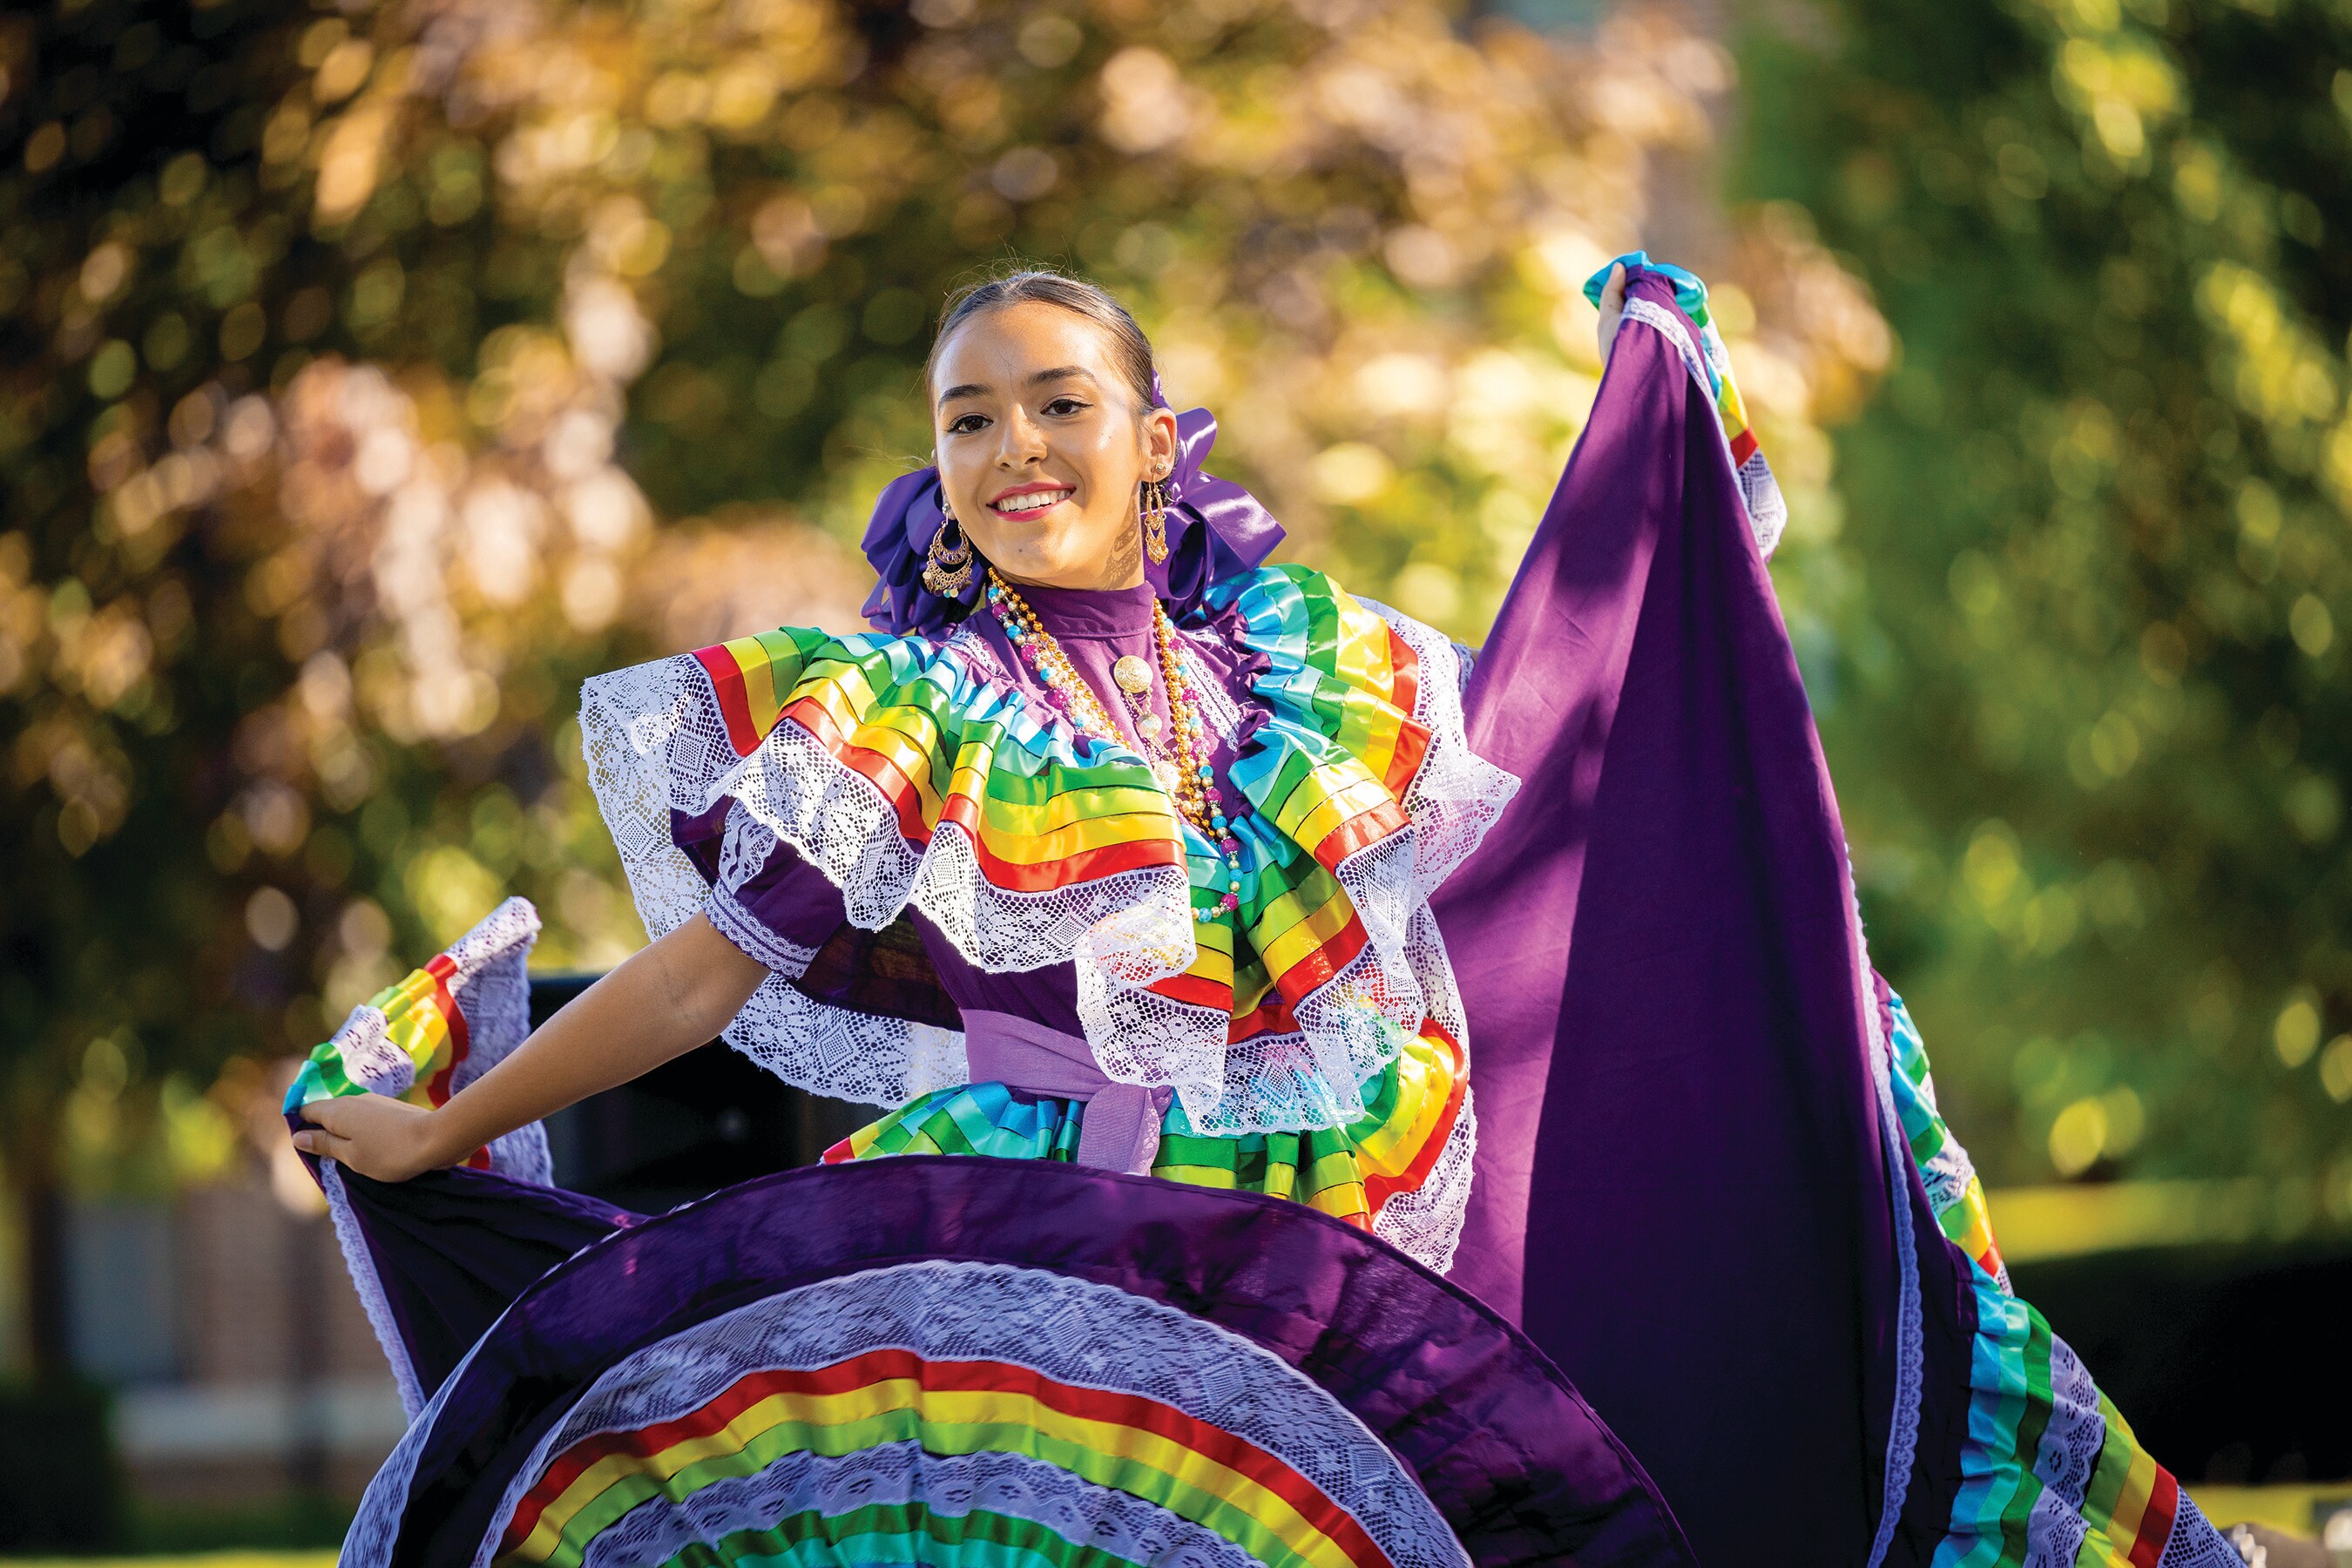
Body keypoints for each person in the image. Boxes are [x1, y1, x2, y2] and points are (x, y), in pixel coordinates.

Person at [291, 262, 2238, 1567]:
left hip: (1356, 1226)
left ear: (1154, 440)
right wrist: (450, 1129)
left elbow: (1564, 769)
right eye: (970, 421)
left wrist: (1658, 471)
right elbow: (710, 968)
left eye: (1060, 405)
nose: (1015, 451)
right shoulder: (895, 711)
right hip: (1056, 1232)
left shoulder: (1324, 672)